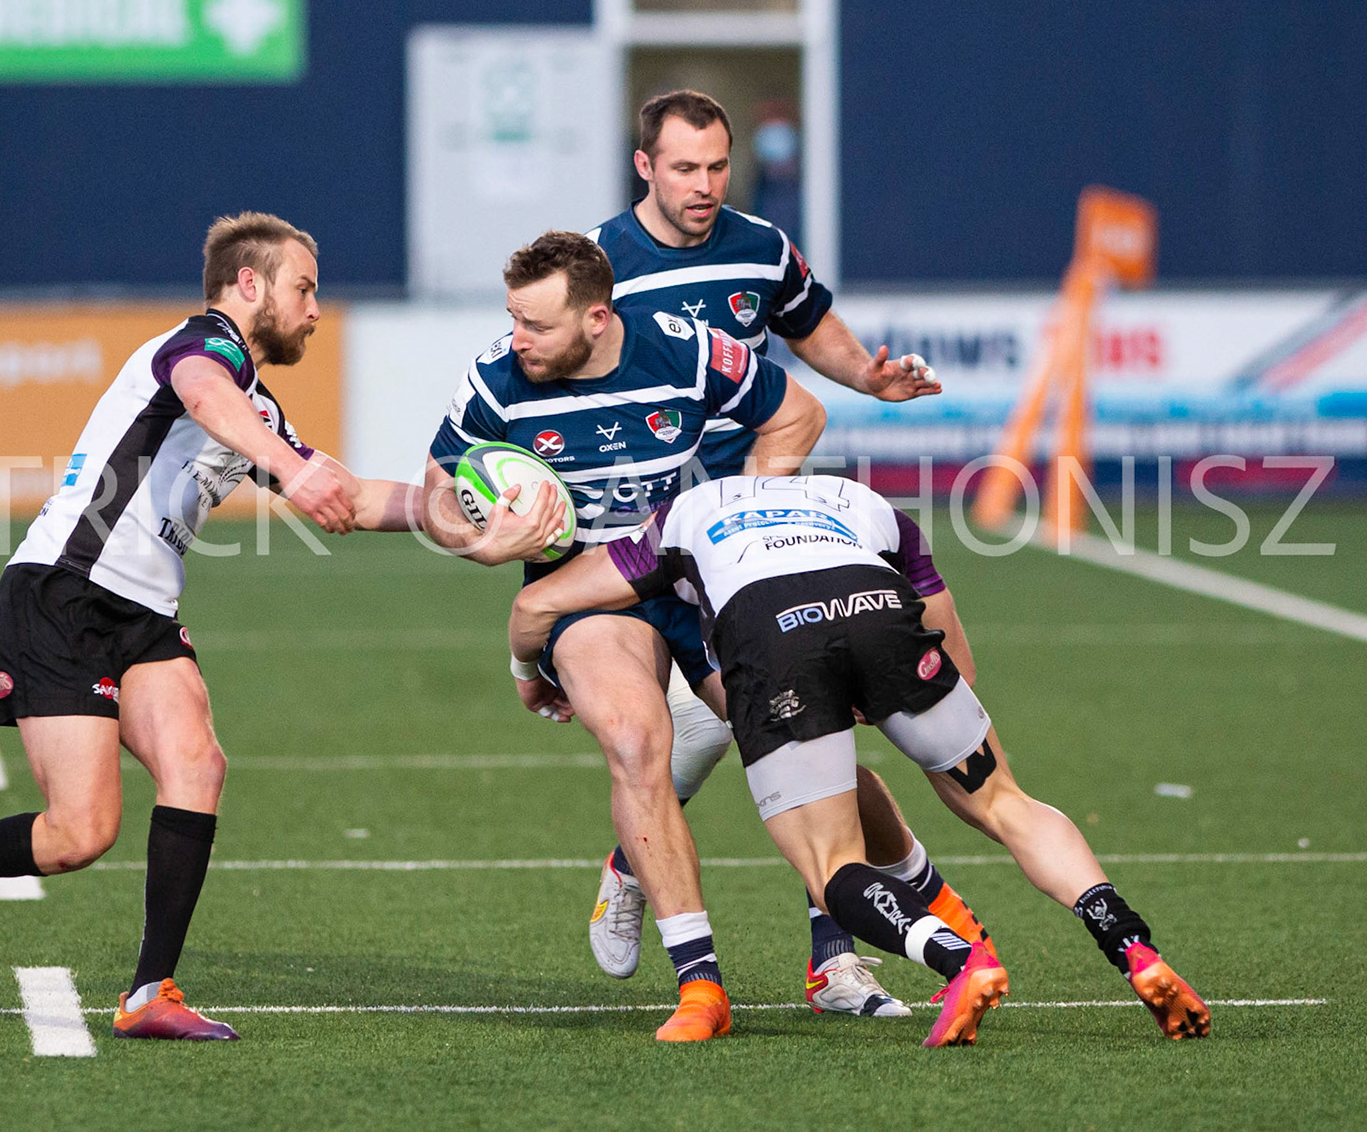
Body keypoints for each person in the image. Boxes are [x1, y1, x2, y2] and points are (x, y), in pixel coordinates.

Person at [0, 211, 560, 1041]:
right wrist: (294, 473)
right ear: (249, 285)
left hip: (144, 613)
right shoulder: (204, 345)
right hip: (61, 596)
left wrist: (471, 521)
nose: (315, 310)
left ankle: (149, 990)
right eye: (304, 288)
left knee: (198, 761)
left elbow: (361, 496)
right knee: (80, 833)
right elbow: (203, 392)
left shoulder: (255, 406)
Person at [508, 474, 1213, 1047]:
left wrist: (531, 672)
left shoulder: (683, 514)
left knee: (830, 865)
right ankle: (1130, 945)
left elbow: (541, 602)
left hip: (774, 630)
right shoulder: (865, 501)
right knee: (1008, 802)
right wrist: (882, 695)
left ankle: (959, 958)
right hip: (881, 613)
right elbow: (956, 658)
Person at [582, 89, 991, 1011]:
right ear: (643, 165)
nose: (704, 185)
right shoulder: (601, 261)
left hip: (763, 518)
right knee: (706, 726)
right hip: (657, 530)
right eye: (684, 167)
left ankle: (832, 956)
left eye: (717, 166)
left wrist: (871, 377)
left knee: (817, 717)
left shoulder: (761, 245)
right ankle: (633, 858)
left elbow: (820, 337)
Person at [422, 231, 826, 1041]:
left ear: (598, 317)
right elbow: (436, 487)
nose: (517, 340)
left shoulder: (687, 352)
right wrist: (480, 541)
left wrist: (738, 515)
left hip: (684, 571)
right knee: (639, 739)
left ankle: (926, 919)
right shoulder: (496, 379)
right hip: (581, 594)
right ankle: (701, 985)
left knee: (797, 741)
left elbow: (799, 414)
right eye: (512, 319)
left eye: (535, 324)